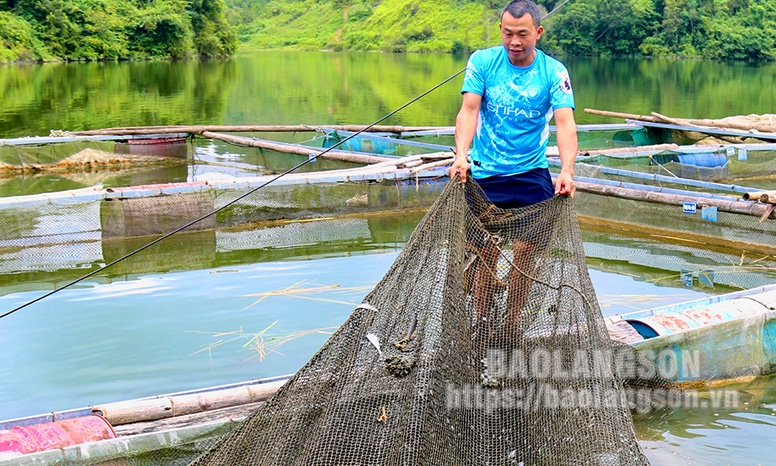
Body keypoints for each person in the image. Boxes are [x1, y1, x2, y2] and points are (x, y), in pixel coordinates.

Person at [449, 0, 578, 329]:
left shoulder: (554, 72)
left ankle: (510, 324)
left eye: (522, 34)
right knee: (486, 251)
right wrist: (461, 155)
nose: (514, 42)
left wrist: (566, 171)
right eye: (508, 34)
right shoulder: (483, 62)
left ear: (538, 32)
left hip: (531, 173)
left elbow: (565, 123)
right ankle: (481, 318)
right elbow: (469, 110)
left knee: (525, 252)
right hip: (485, 172)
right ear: (501, 31)